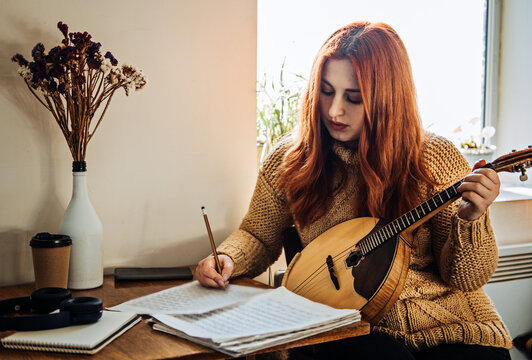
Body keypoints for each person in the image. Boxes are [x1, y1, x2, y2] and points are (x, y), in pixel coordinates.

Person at [194, 21, 512, 359]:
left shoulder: (434, 157)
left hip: (454, 325)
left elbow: (466, 279)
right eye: (327, 91)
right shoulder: (290, 160)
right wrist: (226, 257)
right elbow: (257, 235)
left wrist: (472, 218)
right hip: (357, 330)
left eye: (354, 98)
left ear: (388, 98)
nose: (335, 111)